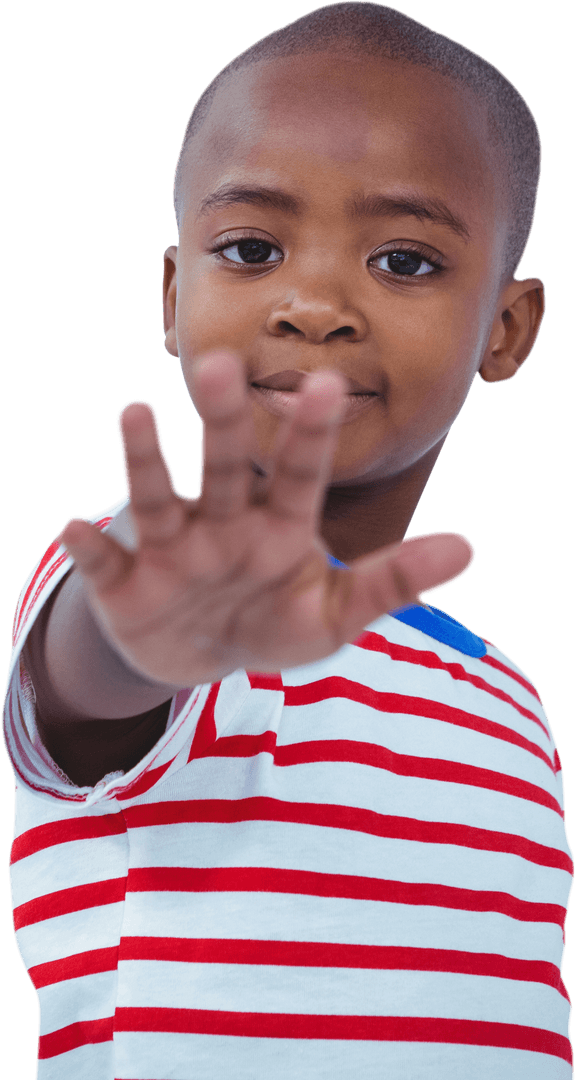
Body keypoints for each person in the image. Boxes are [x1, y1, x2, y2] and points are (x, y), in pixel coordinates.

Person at [3, 2, 572, 1077]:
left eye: (405, 262)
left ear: (507, 328)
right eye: (252, 248)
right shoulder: (146, 566)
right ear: (175, 297)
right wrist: (137, 636)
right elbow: (80, 697)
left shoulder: (512, 697)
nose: (314, 304)